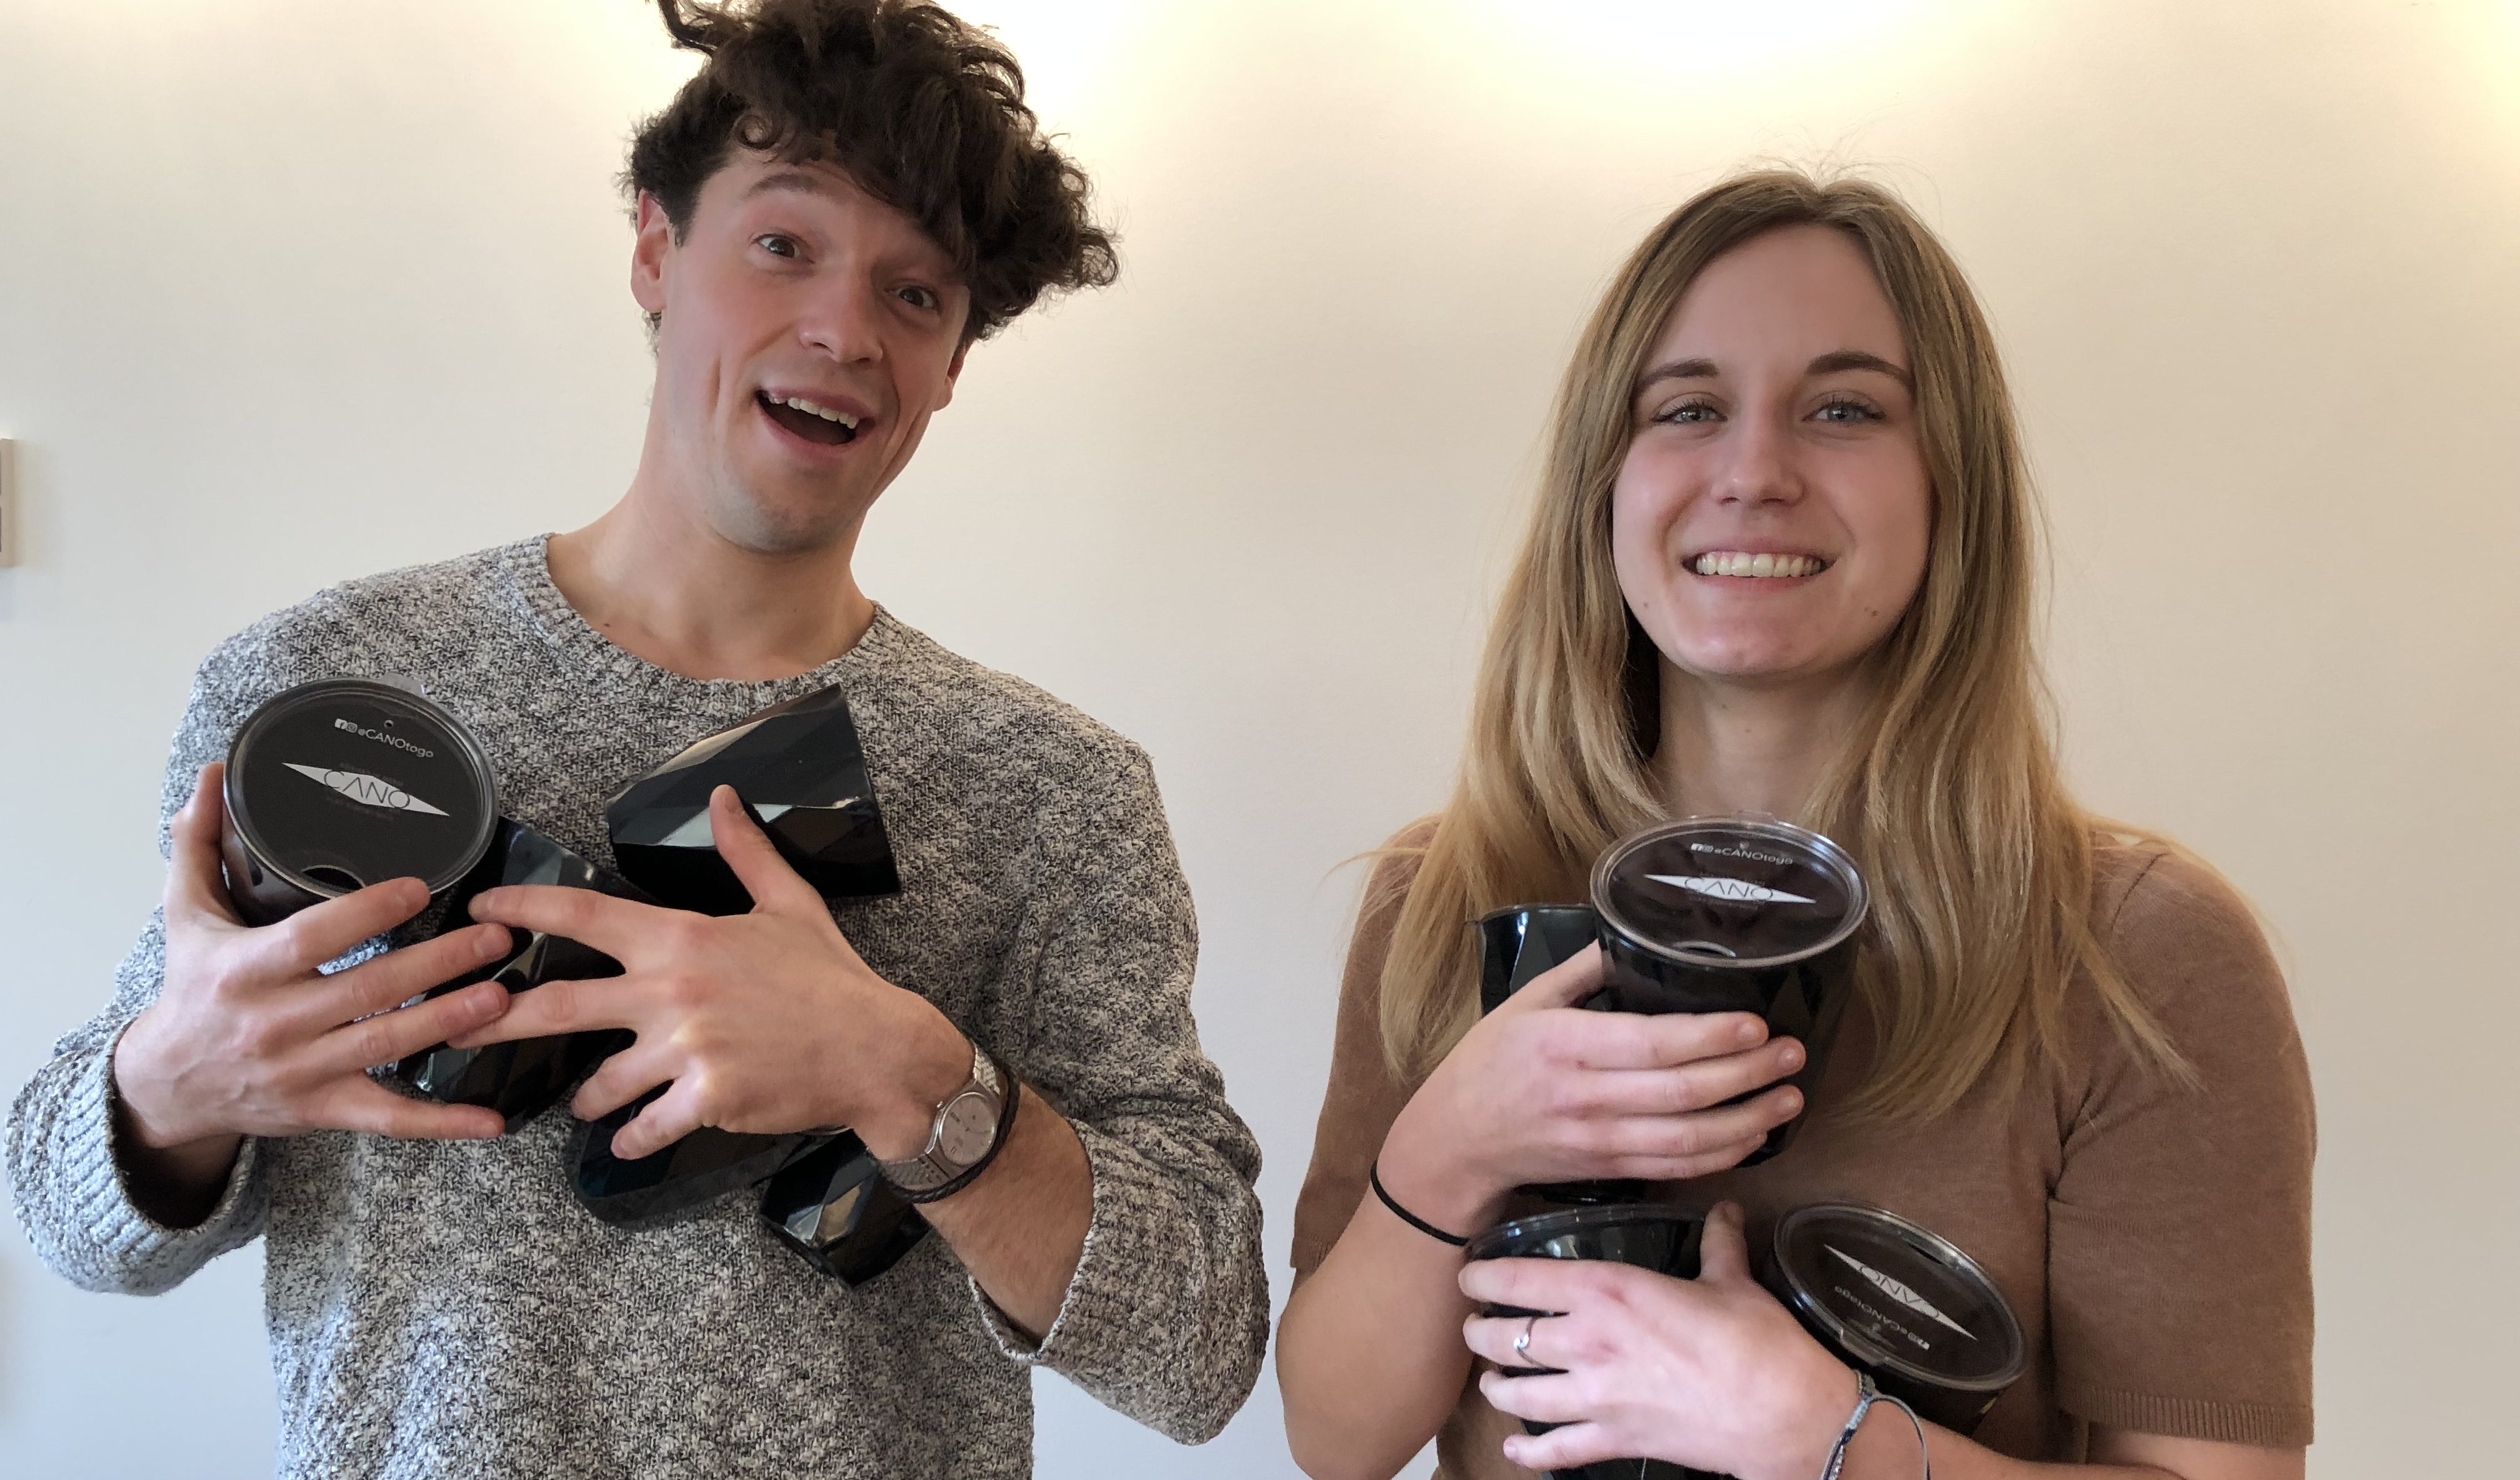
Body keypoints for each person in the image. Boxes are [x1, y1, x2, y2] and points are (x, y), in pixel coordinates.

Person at [5, 2, 1267, 1474]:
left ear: (951, 366)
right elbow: (65, 1218)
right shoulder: (322, 688)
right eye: (784, 243)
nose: (844, 331)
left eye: (917, 293)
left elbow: (1200, 1347)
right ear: (657, 251)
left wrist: (907, 1071)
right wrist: (168, 1081)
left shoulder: (1051, 791)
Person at [1277, 171, 2313, 1480]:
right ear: (1606, 482)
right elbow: (1337, 1439)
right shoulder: (1447, 893)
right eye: (1688, 409)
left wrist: (1820, 1435)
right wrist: (1450, 1150)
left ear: (1951, 485)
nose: (1755, 474)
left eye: (1844, 409)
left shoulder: (2141, 953)